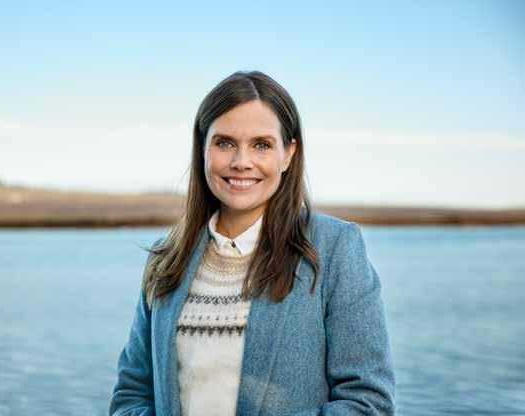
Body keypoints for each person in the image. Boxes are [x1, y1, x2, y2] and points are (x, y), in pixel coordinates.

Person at [109, 70, 396, 416]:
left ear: (288, 154)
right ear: (202, 149)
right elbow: (130, 396)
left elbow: (368, 403)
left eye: (261, 144)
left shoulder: (335, 249)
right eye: (224, 143)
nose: (241, 162)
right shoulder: (166, 258)